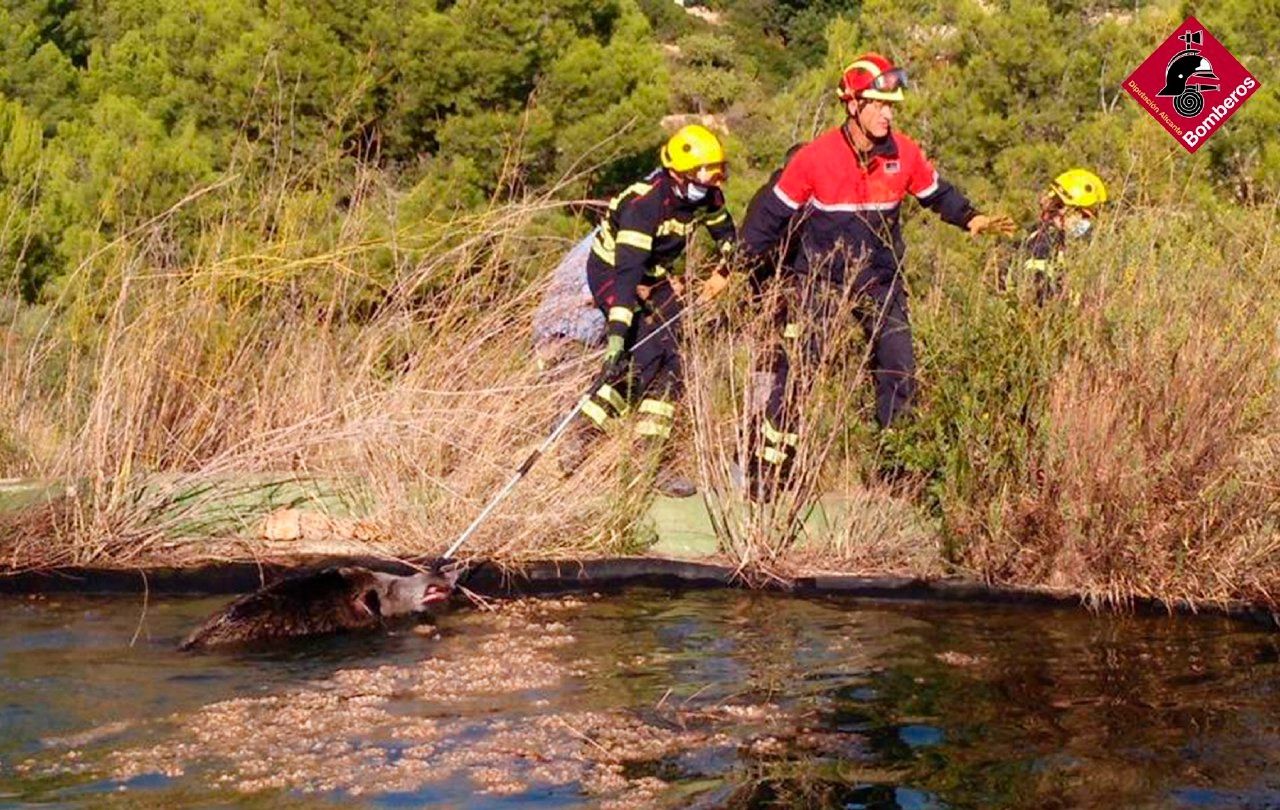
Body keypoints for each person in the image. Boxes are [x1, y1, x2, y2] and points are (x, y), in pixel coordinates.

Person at [740, 52, 1014, 492]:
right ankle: (768, 470)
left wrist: (972, 218)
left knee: (898, 368)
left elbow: (935, 193)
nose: (888, 114)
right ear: (852, 104)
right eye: (878, 104)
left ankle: (897, 475)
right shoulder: (814, 158)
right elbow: (767, 218)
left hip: (880, 280)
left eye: (892, 106)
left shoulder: (903, 153)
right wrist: (732, 270)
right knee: (802, 371)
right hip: (821, 281)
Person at [557, 124, 736, 497]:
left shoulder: (706, 197)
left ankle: (649, 462)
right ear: (680, 172)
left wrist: (731, 265)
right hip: (613, 271)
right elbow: (627, 276)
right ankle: (580, 435)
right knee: (641, 356)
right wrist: (617, 336)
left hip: (653, 275)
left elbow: (726, 235)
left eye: (718, 169)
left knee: (673, 363)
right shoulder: (645, 205)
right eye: (707, 171)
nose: (715, 178)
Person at [1017, 168, 1108, 303]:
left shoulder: (1090, 245)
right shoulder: (1042, 240)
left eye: (1059, 205)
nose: (1085, 223)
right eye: (1082, 215)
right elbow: (1034, 286)